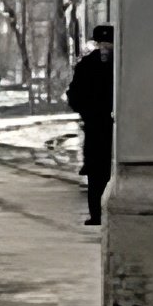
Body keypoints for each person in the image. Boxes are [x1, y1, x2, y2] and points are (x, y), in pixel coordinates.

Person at [67, 24, 114, 225]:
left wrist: (87, 113)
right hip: (116, 126)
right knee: (110, 169)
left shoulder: (85, 64)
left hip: (95, 125)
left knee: (96, 172)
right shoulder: (122, 65)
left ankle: (97, 214)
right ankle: (105, 212)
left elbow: (74, 95)